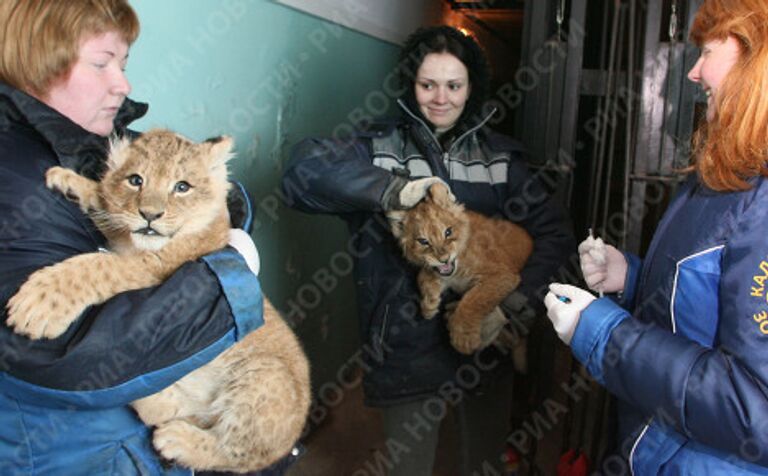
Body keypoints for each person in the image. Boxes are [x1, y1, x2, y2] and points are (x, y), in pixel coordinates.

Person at [0, 1, 294, 475]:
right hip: (82, 451)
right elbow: (70, 350)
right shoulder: (12, 174)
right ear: (41, 60)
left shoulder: (93, 134)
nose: (123, 84)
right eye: (102, 62)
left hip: (145, 435)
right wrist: (228, 272)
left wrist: (216, 208)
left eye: (124, 63)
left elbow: (146, 201)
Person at [282, 25, 575, 475]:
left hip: (485, 344)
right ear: (410, 85)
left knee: (483, 459)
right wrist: (392, 190)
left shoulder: (500, 160)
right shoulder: (376, 148)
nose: (441, 97)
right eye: (428, 84)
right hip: (405, 351)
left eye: (454, 85)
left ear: (471, 89)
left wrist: (513, 307)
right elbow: (301, 172)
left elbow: (555, 236)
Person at [544, 0, 768, 473]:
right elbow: (711, 309)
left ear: (754, 55)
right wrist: (631, 277)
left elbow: (755, 409)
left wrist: (603, 333)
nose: (694, 72)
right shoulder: (730, 172)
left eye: (707, 51)